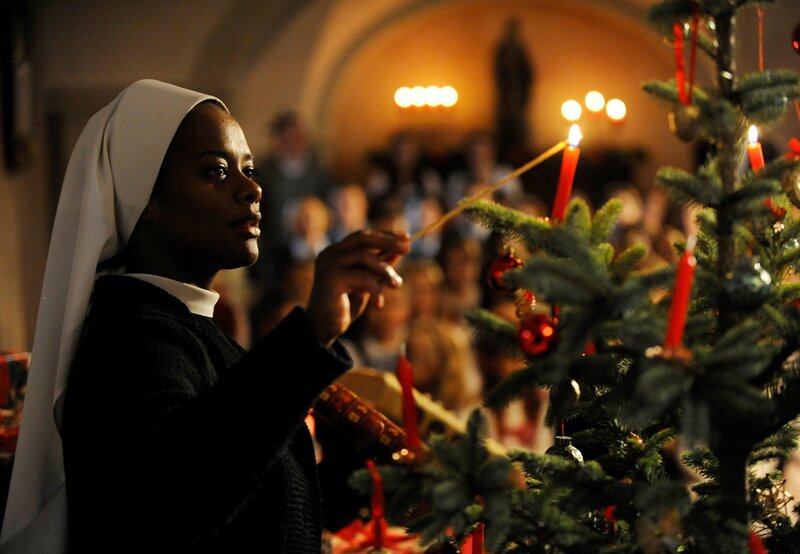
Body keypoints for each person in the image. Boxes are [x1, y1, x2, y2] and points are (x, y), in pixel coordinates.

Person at [0, 80, 409, 553]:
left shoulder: (183, 327)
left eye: (249, 169)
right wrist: (309, 335)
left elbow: (261, 496)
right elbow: (177, 494)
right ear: (144, 198)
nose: (252, 188)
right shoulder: (133, 337)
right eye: (216, 171)